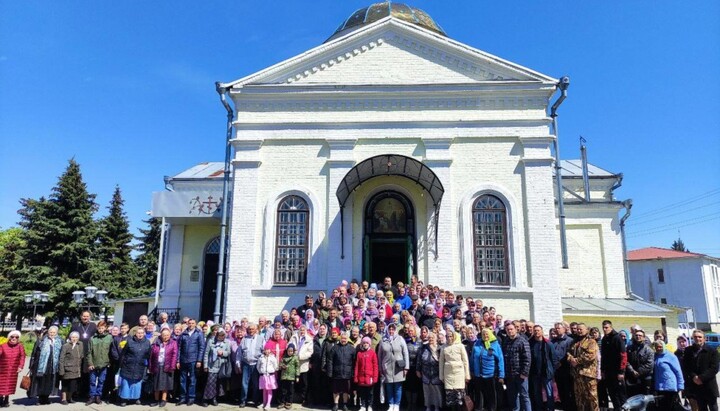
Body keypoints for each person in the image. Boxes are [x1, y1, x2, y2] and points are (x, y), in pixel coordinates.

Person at [682, 330, 719, 411]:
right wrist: (694, 377)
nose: (697, 339)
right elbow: (686, 366)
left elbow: (714, 368)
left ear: (704, 339)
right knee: (701, 408)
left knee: (713, 407)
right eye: (695, 337)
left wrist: (701, 378)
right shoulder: (688, 350)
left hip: (709, 385)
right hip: (696, 385)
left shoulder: (712, 351)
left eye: (700, 337)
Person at [470, 327, 504, 411]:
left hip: (490, 374)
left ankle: (492, 409)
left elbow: (500, 360)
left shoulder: (495, 345)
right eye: (483, 334)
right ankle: (479, 408)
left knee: (491, 394)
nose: (485, 336)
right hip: (478, 374)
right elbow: (472, 358)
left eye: (487, 334)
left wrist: (501, 375)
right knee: (479, 394)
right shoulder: (477, 343)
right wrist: (471, 370)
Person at [568, 323, 599, 411]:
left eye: (581, 329)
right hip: (577, 375)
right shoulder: (574, 342)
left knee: (592, 398)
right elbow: (568, 353)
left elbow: (590, 355)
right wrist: (571, 359)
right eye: (578, 329)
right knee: (580, 398)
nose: (579, 331)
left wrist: (576, 361)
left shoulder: (591, 341)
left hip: (588, 375)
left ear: (586, 330)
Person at [378, 323, 409, 411]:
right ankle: (391, 404)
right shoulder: (383, 340)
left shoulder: (400, 339)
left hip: (398, 367)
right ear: (387, 330)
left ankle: (397, 405)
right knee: (389, 387)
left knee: (398, 387)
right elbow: (379, 355)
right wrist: (380, 368)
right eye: (389, 329)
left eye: (393, 329)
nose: (391, 331)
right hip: (386, 368)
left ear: (395, 330)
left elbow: (405, 352)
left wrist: (406, 367)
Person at [29, 325, 63, 405]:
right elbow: (34, 352)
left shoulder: (60, 341)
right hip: (42, 365)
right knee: (41, 381)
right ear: (48, 332)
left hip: (53, 365)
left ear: (56, 333)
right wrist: (31, 365)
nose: (52, 334)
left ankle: (46, 398)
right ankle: (40, 399)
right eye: (50, 332)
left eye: (54, 332)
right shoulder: (42, 340)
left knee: (50, 382)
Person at [502, 323, 531, 411]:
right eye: (508, 330)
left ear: (516, 329)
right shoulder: (506, 341)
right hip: (510, 374)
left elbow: (527, 358)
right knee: (513, 396)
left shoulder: (522, 341)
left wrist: (524, 373)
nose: (509, 331)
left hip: (520, 374)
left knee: (524, 395)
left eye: (511, 329)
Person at [118, 326, 151, 406]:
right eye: (138, 333)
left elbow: (148, 355)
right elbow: (123, 354)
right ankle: (124, 399)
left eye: (142, 333)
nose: (140, 334)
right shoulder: (129, 341)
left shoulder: (147, 342)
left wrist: (148, 365)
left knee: (137, 383)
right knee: (126, 383)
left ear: (144, 334)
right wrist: (121, 365)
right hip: (128, 365)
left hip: (140, 366)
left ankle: (135, 398)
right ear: (135, 333)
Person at [439, 329, 471, 411]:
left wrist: (467, 375)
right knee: (450, 398)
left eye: (451, 336)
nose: (449, 338)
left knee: (459, 397)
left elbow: (465, 361)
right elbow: (441, 362)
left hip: (459, 374)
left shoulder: (460, 346)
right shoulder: (444, 347)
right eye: (448, 336)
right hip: (448, 374)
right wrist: (441, 376)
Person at [177, 318, 206, 406]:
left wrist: (199, 360)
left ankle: (191, 397)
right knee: (182, 380)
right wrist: (178, 360)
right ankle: (182, 397)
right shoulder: (183, 334)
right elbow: (179, 348)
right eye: (189, 323)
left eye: (193, 323)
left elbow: (201, 348)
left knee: (192, 380)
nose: (191, 325)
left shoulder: (198, 333)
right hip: (183, 360)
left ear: (195, 324)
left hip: (193, 360)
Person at [599, 320, 626, 411]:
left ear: (611, 327)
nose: (605, 329)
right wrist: (602, 370)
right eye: (603, 328)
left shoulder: (617, 338)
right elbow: (603, 356)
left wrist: (621, 371)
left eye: (606, 327)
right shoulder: (604, 339)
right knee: (612, 392)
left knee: (620, 393)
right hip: (608, 371)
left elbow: (623, 355)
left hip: (617, 371)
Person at [327, 332, 357, 411]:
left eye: (345, 338)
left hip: (347, 373)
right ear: (340, 338)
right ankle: (336, 405)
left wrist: (353, 373)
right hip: (336, 373)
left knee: (346, 390)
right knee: (335, 390)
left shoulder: (352, 349)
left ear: (347, 339)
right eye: (342, 338)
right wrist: (330, 372)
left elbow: (354, 362)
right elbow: (330, 360)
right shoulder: (334, 348)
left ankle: (344, 405)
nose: (343, 340)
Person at [149, 327, 178, 407]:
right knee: (156, 384)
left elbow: (174, 355)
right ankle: (156, 399)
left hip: (167, 366)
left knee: (165, 384)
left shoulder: (173, 343)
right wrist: (150, 366)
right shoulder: (156, 342)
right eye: (164, 335)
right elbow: (151, 355)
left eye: (167, 335)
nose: (166, 336)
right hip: (157, 365)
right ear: (161, 335)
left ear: (170, 335)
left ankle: (163, 399)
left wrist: (172, 366)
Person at [652, 340, 684, 411]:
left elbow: (678, 371)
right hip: (659, 387)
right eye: (657, 347)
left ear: (664, 346)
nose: (658, 348)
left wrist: (680, 385)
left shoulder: (671, 356)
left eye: (660, 347)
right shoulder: (655, 356)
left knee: (670, 407)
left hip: (670, 387)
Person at [529, 325, 555, 411]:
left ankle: (550, 408)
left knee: (549, 392)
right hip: (535, 372)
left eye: (538, 330)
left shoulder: (548, 343)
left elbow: (553, 359)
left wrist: (552, 371)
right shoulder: (530, 343)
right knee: (537, 393)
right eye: (535, 330)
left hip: (546, 372)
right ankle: (539, 408)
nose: (536, 332)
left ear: (542, 331)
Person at [86, 320, 112, 405]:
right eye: (99, 328)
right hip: (94, 364)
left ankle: (98, 396)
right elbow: (89, 352)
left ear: (105, 328)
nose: (100, 329)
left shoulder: (109, 338)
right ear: (97, 328)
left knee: (101, 381)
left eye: (102, 328)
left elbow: (111, 351)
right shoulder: (93, 338)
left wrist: (109, 362)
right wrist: (90, 363)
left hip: (104, 364)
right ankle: (92, 396)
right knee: (92, 381)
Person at [202, 328, 231, 407]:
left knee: (219, 384)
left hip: (221, 366)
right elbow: (206, 354)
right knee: (210, 383)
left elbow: (228, 352)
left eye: (222, 335)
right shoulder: (211, 341)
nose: (221, 337)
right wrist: (205, 365)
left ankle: (214, 398)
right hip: (212, 365)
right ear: (216, 335)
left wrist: (223, 353)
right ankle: (206, 399)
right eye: (219, 335)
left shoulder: (226, 343)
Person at [551, 322, 575, 411]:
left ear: (564, 329)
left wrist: (561, 362)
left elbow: (570, 354)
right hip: (557, 370)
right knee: (561, 391)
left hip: (566, 370)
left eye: (559, 328)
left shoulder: (569, 340)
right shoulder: (553, 341)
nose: (557, 330)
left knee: (568, 390)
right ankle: (564, 407)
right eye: (556, 328)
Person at [417, 331, 443, 411]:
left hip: (436, 373)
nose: (431, 339)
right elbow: (419, 360)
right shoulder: (423, 348)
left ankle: (436, 407)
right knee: (427, 391)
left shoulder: (440, 348)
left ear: (436, 339)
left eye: (432, 338)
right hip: (425, 373)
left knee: (436, 391)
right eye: (429, 338)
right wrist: (418, 370)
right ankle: (428, 406)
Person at [0, 330, 26, 407]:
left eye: (16, 337)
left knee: (9, 385)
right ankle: (0, 399)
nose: (14, 338)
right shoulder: (3, 345)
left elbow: (22, 356)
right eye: (12, 337)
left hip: (13, 370)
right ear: (9, 337)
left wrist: (20, 366)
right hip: (2, 369)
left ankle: (6, 400)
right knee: (1, 385)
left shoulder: (20, 346)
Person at [240, 323, 264, 407]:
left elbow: (264, 351)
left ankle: (256, 401)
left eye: (252, 329)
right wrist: (237, 363)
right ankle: (243, 400)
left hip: (256, 364)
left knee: (256, 384)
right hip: (246, 364)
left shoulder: (261, 338)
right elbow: (240, 352)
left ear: (256, 330)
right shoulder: (244, 339)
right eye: (249, 329)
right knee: (244, 383)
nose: (251, 331)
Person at [625, 329, 654, 397]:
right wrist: (632, 371)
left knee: (645, 399)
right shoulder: (629, 348)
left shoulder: (649, 350)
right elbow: (626, 361)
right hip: (632, 377)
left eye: (640, 335)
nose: (638, 336)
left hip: (645, 378)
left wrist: (638, 372)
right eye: (636, 335)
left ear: (644, 337)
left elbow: (649, 365)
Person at [59, 331, 84, 405]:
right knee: (65, 385)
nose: (74, 339)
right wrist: (61, 370)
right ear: (70, 337)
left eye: (76, 337)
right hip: (67, 368)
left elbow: (81, 355)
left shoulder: (80, 344)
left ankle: (70, 398)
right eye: (73, 337)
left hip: (76, 369)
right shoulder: (66, 346)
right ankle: (63, 399)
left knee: (73, 385)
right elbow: (61, 358)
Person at [355, 336, 379, 411]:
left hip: (370, 377)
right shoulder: (359, 353)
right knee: (362, 393)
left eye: (367, 343)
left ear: (369, 344)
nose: (365, 344)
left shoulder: (372, 353)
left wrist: (375, 377)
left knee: (370, 393)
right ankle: (363, 405)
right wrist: (356, 377)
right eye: (364, 343)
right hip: (361, 377)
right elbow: (357, 366)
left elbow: (375, 366)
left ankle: (369, 405)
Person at [279, 344, 300, 409]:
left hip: (291, 377)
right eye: (289, 351)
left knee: (290, 390)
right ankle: (282, 402)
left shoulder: (295, 358)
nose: (290, 352)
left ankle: (289, 402)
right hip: (284, 376)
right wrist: (282, 366)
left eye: (291, 351)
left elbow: (297, 367)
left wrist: (297, 376)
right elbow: (280, 364)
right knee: (283, 390)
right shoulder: (284, 357)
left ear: (293, 351)